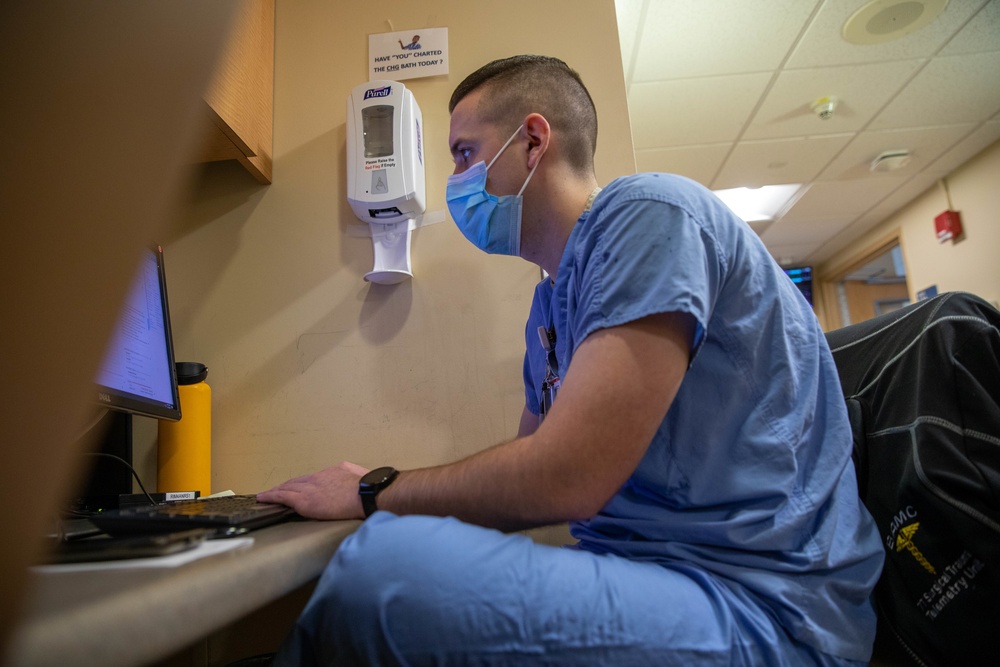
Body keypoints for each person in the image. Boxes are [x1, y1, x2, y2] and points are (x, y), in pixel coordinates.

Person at [258, 55, 884, 666]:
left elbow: (568, 475)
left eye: (464, 155)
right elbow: (526, 483)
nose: (455, 181)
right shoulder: (547, 308)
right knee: (391, 559)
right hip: (648, 577)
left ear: (533, 142)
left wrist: (375, 491)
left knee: (379, 576)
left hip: (766, 606)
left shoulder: (650, 213)